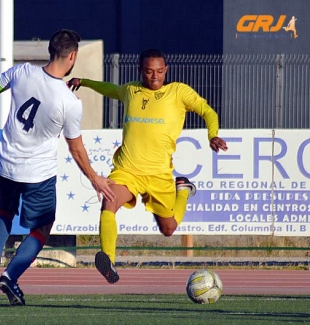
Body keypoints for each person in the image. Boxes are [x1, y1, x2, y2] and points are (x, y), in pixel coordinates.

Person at [0, 29, 115, 305]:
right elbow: (76, 147)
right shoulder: (70, 102)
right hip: (37, 174)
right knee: (42, 228)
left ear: (50, 51)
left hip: (6, 163)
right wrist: (94, 178)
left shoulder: (21, 72)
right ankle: (10, 276)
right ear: (72, 56)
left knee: (5, 211)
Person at [67, 49, 228, 284]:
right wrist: (85, 82)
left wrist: (212, 135)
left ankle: (182, 190)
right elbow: (109, 89)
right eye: (149, 71)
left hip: (159, 175)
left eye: (160, 71)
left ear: (166, 71)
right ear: (141, 71)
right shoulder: (131, 90)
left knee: (169, 229)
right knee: (109, 200)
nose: (155, 76)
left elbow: (208, 111)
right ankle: (108, 260)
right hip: (127, 170)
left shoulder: (178, 93)